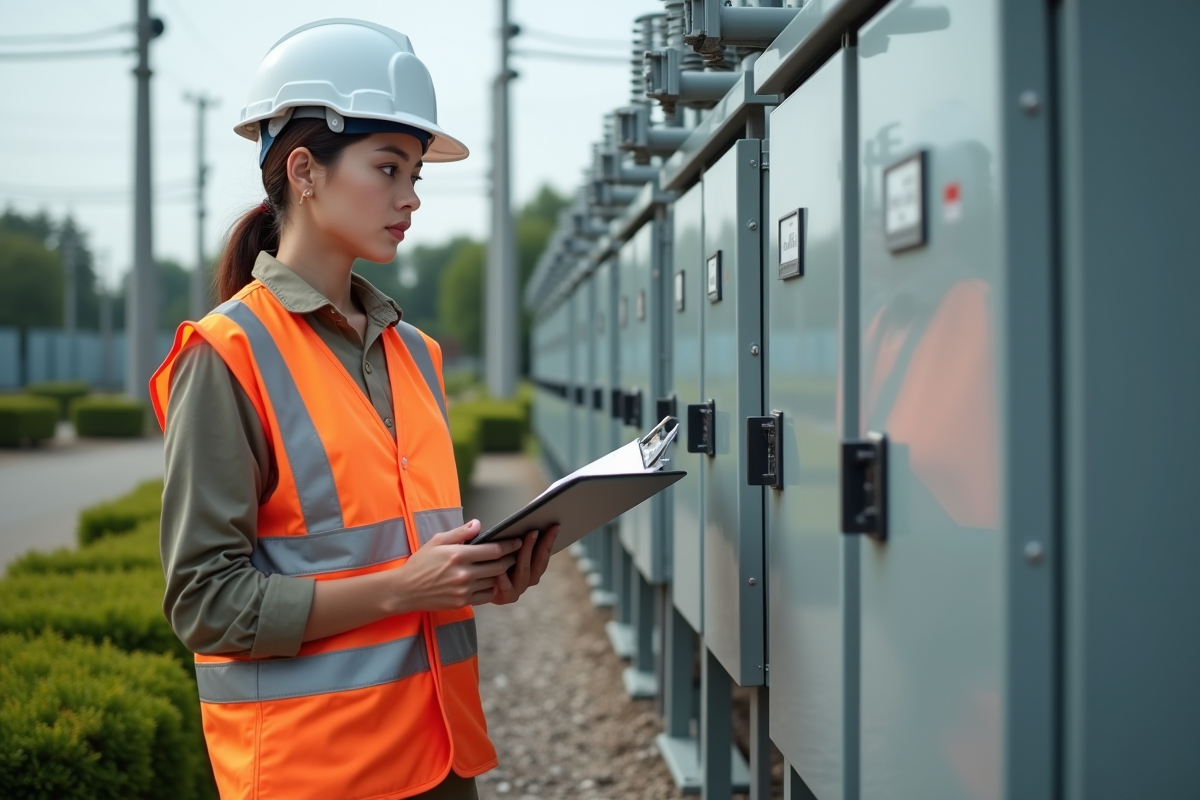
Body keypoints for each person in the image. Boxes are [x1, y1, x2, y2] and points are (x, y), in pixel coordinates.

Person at [149, 20, 558, 800]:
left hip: (440, 763)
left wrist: (482, 575)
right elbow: (204, 603)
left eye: (416, 175)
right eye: (388, 167)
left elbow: (404, 549)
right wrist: (405, 588)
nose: (411, 197)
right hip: (315, 775)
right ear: (304, 170)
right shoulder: (225, 354)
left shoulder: (419, 356)